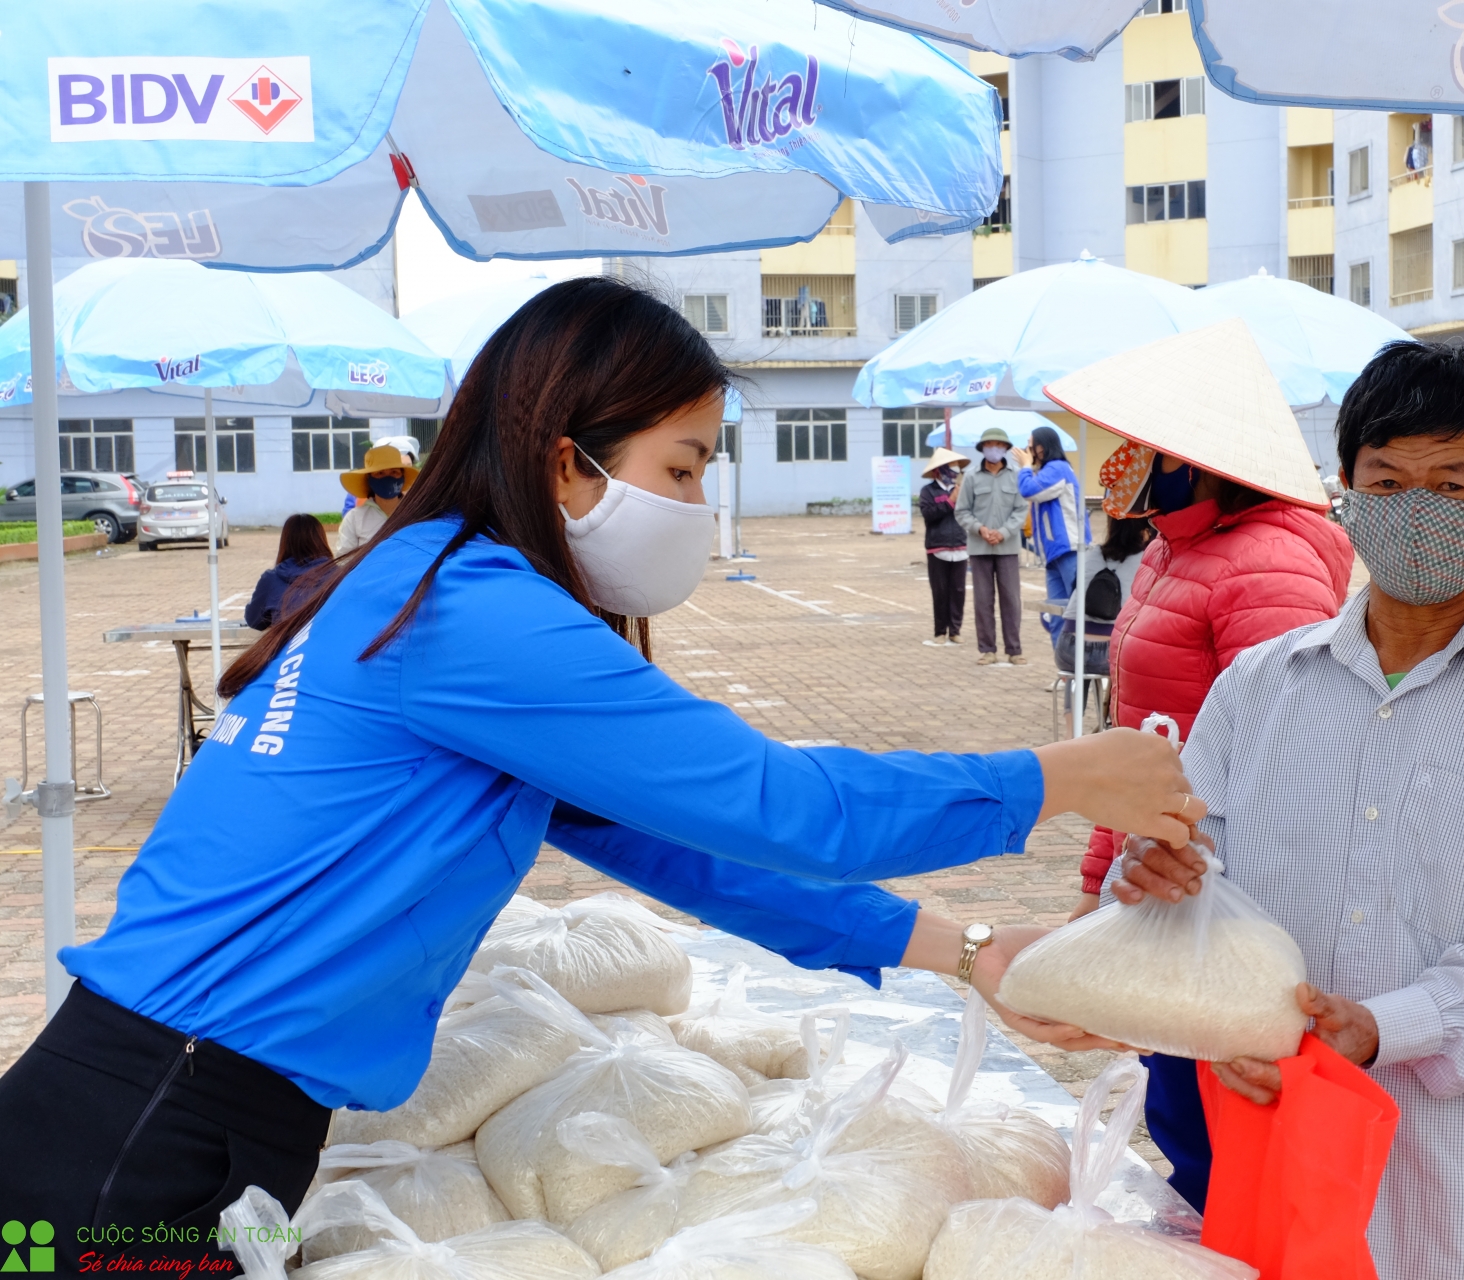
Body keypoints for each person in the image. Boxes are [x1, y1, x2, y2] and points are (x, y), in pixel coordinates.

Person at [0, 279, 1206, 1272]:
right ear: (570, 463)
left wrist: (968, 946)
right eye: (681, 468)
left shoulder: (434, 580)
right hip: (154, 1126)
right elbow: (790, 804)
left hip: (183, 1105)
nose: (695, 502)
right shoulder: (470, 609)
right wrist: (1057, 776)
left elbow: (691, 847)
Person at [1116, 340, 1464, 1280]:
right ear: (1348, 491)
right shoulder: (1258, 687)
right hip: (1275, 1169)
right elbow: (1191, 880)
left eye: (1450, 486)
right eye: (1388, 479)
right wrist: (1156, 883)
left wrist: (1384, 1026)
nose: (1415, 511)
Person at [1062, 347, 1354, 1212]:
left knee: (1228, 1138)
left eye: (1134, 442)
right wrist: (1098, 882)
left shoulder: (1270, 562)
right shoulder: (1170, 550)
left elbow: (1297, 746)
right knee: (1184, 1119)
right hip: (1163, 876)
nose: (1116, 459)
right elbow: (1136, 744)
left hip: (1223, 891)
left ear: (1194, 457)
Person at [955, 424, 1030, 666]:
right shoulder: (971, 476)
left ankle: (1014, 650)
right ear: (982, 448)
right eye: (989, 445)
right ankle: (987, 649)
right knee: (983, 600)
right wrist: (980, 528)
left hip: (1007, 547)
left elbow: (1021, 509)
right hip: (980, 548)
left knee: (1011, 599)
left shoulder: (1017, 475)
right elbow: (962, 511)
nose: (994, 449)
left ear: (1006, 448)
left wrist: (1005, 532)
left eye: (999, 445)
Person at [1050, 512, 1156, 677]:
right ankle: (1110, 703)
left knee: (1078, 679)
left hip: (1068, 648)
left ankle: (1074, 702)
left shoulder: (1090, 554)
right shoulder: (1146, 561)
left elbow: (1074, 591)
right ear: (1144, 530)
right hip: (1110, 650)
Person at [1015, 424, 1089, 642]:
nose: (1028, 452)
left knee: (1076, 612)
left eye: (1031, 447)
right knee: (1056, 615)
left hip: (1070, 549)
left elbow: (1029, 490)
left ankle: (1081, 668)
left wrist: (1025, 468)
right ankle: (1065, 672)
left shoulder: (1058, 468)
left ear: (1043, 447)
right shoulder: (1047, 471)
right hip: (1054, 554)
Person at [918, 446, 971, 646]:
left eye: (955, 467)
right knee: (940, 591)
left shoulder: (964, 490)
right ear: (937, 470)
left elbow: (969, 514)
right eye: (949, 467)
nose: (953, 470)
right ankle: (940, 630)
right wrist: (950, 502)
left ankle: (955, 630)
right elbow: (929, 515)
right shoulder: (927, 491)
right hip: (937, 546)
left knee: (958, 590)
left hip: (960, 545)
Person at [245, 513, 334, 630]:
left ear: (285, 542)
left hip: (287, 647)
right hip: (331, 646)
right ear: (322, 541)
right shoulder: (341, 576)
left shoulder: (271, 580)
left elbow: (254, 621)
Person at [335, 443, 418, 553]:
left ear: (402, 476)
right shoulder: (354, 518)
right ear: (369, 479)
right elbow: (344, 560)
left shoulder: (417, 514)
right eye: (380, 473)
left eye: (394, 472)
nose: (388, 478)